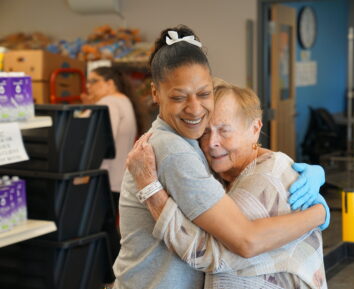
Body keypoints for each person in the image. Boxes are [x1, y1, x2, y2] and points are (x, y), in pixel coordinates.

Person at [113, 25, 328, 289]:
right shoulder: (175, 149)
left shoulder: (186, 139)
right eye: (179, 97)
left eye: (204, 94)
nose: (194, 109)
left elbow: (231, 156)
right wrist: (319, 213)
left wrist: (280, 160)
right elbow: (245, 241)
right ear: (155, 93)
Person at [81, 66, 138, 208]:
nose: (88, 86)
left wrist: (85, 173)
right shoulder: (123, 100)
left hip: (104, 178)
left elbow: (99, 141)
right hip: (117, 178)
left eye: (93, 81)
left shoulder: (109, 102)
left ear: (110, 83)